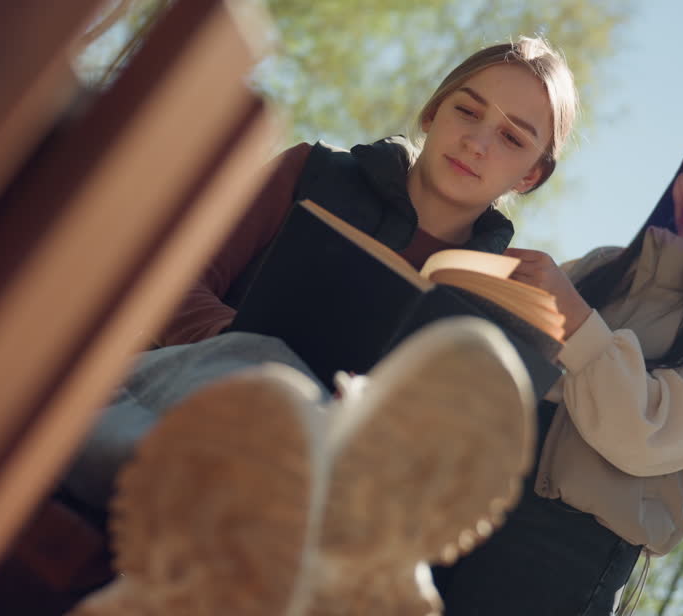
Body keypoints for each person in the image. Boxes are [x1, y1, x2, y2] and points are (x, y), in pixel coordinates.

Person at [62, 37, 580, 615]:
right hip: (202, 397)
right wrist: (265, 356)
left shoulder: (502, 298)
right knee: (276, 388)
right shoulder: (314, 173)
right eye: (468, 109)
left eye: (511, 137)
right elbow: (175, 283)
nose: (477, 141)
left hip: (338, 495)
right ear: (434, 111)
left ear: (531, 174)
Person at [432, 114, 683, 615]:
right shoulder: (604, 268)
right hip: (467, 495)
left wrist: (573, 318)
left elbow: (642, 436)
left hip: (562, 554)